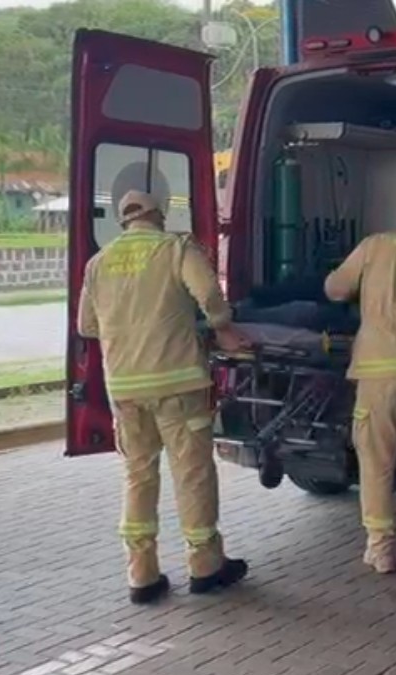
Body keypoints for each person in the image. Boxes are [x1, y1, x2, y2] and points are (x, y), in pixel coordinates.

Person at [77, 188, 251, 604]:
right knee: (191, 474)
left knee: (138, 475)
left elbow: (87, 326)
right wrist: (222, 327)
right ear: (158, 215)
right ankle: (205, 565)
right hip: (178, 385)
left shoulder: (99, 263)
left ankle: (142, 574)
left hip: (125, 390)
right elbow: (208, 293)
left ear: (123, 221)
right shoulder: (176, 249)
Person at [324, 199, 396, 574]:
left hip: (378, 371)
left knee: (376, 460)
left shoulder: (376, 245)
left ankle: (382, 551)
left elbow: (335, 289)